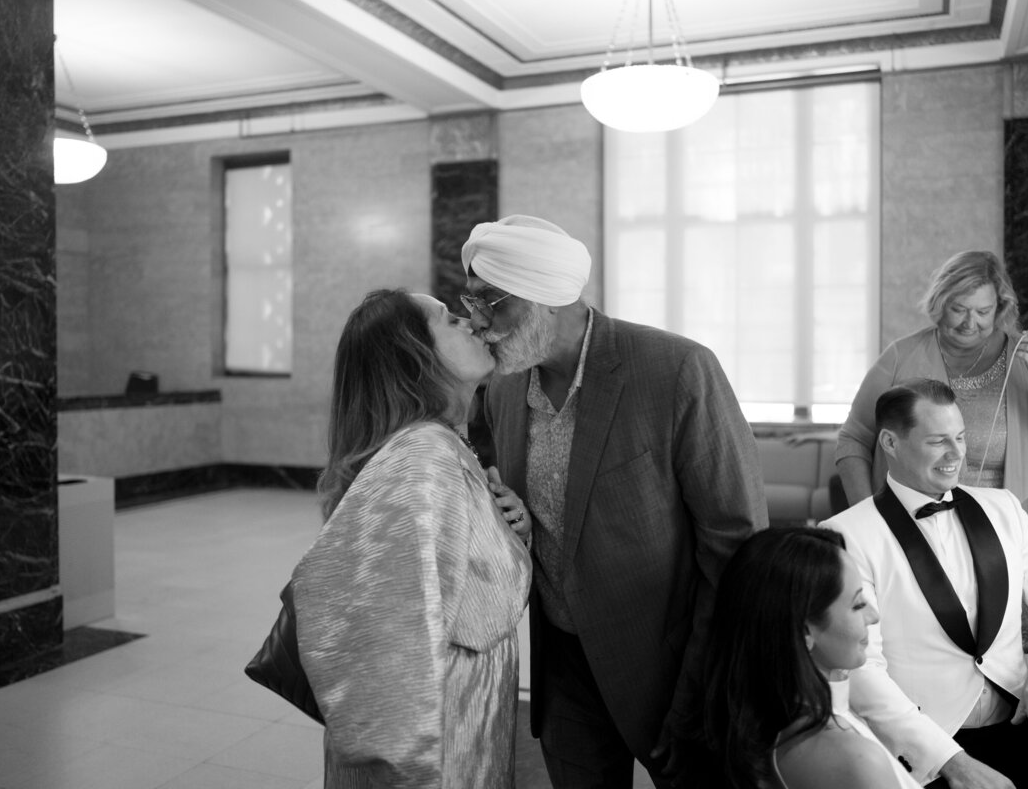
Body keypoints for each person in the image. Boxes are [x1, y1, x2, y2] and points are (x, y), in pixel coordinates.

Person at [460, 214, 768, 788]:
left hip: (672, 666)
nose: (478, 323)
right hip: (563, 666)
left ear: (544, 299)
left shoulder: (674, 369)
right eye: (470, 300)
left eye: (489, 302)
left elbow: (737, 542)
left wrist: (708, 680)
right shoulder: (504, 387)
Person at [292, 289, 533, 788]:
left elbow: (461, 590)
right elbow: (388, 644)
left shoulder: (440, 444)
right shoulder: (421, 459)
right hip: (437, 738)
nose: (471, 322)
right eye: (448, 320)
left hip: (460, 715)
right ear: (414, 358)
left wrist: (511, 535)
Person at [821, 379, 1028, 789]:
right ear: (890, 442)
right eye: (938, 441)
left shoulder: (1004, 507)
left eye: (960, 437)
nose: (957, 454)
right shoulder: (846, 535)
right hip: (926, 752)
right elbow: (863, 669)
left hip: (1022, 723)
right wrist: (951, 763)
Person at [836, 250, 1028, 555]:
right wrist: (868, 519)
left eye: (983, 311)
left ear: (1000, 308)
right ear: (939, 303)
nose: (969, 323)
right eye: (958, 309)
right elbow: (852, 441)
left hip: (1004, 538)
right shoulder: (900, 357)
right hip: (913, 537)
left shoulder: (1025, 360)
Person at [704, 527, 922, 789]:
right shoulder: (854, 758)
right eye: (857, 605)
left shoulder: (765, 717)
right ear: (805, 631)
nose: (873, 616)